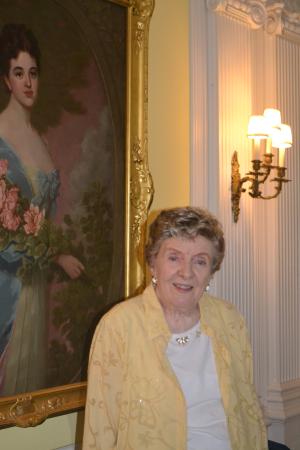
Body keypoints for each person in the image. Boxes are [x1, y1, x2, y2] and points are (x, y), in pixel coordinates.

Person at [83, 206, 268, 450]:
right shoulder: (118, 326)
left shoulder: (229, 320)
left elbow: (248, 414)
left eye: (200, 261)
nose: (186, 272)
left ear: (212, 271)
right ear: (152, 263)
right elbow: (100, 428)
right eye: (174, 258)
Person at [0, 23, 84, 396]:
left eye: (33, 73)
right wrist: (54, 255)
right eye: (19, 73)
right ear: (6, 80)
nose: (28, 83)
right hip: (8, 285)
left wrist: (56, 251)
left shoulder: (40, 140)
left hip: (35, 286)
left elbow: (41, 223)